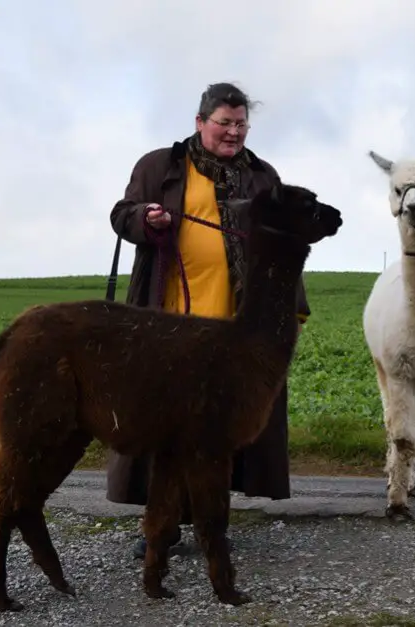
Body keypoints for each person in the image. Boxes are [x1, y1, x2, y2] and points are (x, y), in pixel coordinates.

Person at [106, 82, 311, 558]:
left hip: (234, 334)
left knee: (217, 434)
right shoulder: (159, 166)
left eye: (241, 124)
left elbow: (284, 249)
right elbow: (121, 215)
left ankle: (207, 522)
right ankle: (161, 524)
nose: (233, 132)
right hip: (169, 329)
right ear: (200, 123)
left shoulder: (262, 177)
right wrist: (146, 218)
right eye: (225, 123)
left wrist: (293, 311)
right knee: (164, 428)